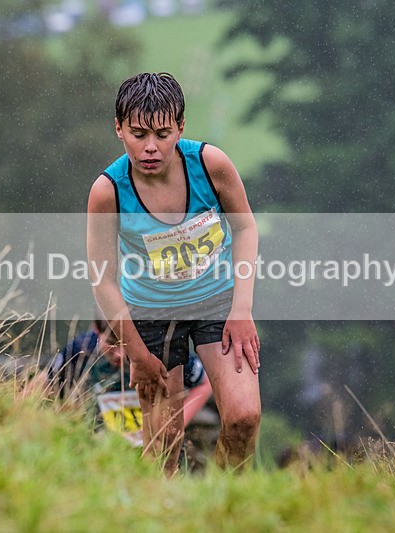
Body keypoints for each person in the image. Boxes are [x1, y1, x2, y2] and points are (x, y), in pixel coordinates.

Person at [87, 72, 261, 474]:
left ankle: (226, 507)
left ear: (180, 127)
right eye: (138, 134)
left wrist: (242, 309)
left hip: (218, 302)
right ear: (119, 129)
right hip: (151, 314)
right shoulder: (108, 191)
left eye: (163, 134)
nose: (150, 147)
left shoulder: (210, 164)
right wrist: (135, 351)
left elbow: (246, 227)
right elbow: (103, 279)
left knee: (244, 417)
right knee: (165, 442)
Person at [47, 317, 213, 447]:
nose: (119, 354)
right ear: (97, 330)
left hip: (152, 444)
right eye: (111, 344)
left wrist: (172, 427)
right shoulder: (81, 348)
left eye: (124, 344)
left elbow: (204, 383)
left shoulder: (156, 347)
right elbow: (41, 387)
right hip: (101, 446)